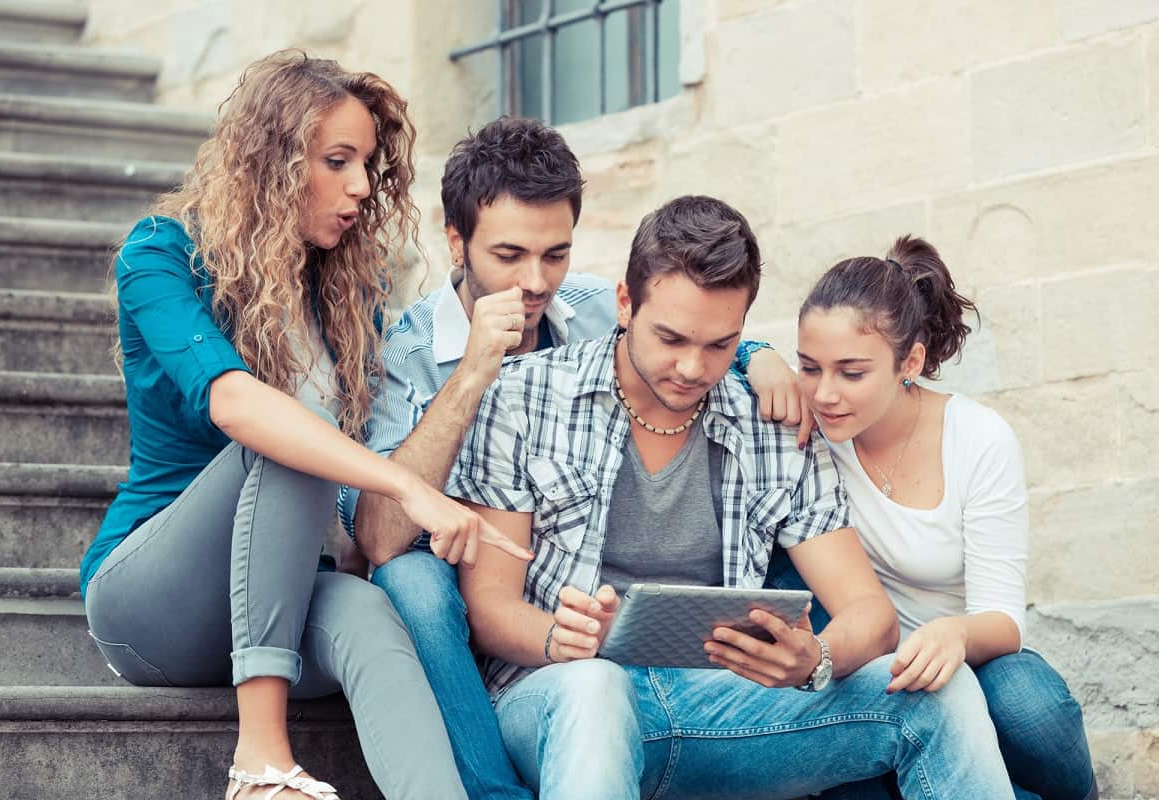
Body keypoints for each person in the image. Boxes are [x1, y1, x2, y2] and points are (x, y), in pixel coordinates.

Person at [449, 195, 1016, 799]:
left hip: (719, 704)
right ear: (624, 303)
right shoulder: (525, 397)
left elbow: (870, 616)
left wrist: (814, 658)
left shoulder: (770, 425)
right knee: (596, 688)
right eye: (671, 338)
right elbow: (488, 610)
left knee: (938, 694)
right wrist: (557, 639)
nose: (692, 367)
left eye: (720, 345)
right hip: (559, 692)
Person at [78, 50, 528, 800]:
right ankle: (259, 760)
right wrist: (407, 490)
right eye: (337, 160)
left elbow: (544, 296)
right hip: (152, 601)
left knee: (373, 618)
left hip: (279, 596)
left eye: (367, 164)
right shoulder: (162, 254)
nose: (360, 186)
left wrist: (748, 352)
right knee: (290, 443)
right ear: (273, 160)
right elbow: (235, 405)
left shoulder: (342, 290)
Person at [335, 117, 809, 799]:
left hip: (568, 586)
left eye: (555, 254)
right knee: (409, 579)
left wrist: (757, 358)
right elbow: (379, 537)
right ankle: (491, 788)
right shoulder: (405, 355)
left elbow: (684, 337)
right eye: (509, 255)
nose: (535, 282)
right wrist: (471, 373)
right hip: (463, 597)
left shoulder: (588, 303)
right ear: (455, 243)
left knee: (782, 515)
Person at [794, 236, 1097, 800]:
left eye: (851, 372)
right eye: (809, 367)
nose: (825, 393)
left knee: (1032, 706)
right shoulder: (809, 437)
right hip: (872, 669)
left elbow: (1004, 621)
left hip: (972, 651)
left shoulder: (978, 438)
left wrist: (952, 634)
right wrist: (758, 360)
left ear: (909, 362)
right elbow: (721, 359)